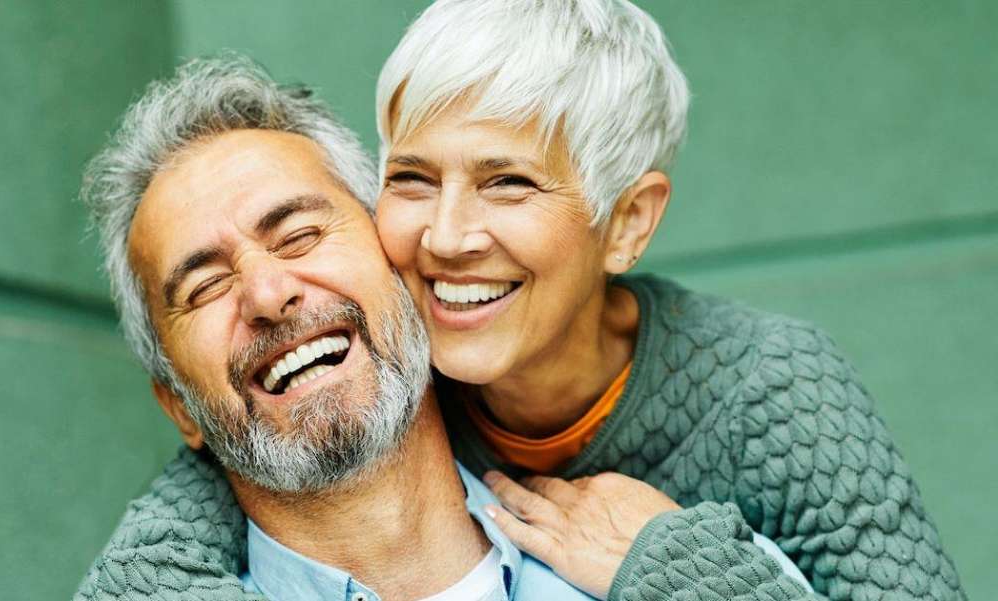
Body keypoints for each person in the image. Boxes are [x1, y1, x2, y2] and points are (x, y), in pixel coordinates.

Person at [72, 56, 802, 601]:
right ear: (177, 406)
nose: (267, 292)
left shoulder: (692, 573)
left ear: (402, 264)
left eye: (298, 235)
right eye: (204, 285)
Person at [371, 1, 961, 598]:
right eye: (411, 179)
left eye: (509, 183)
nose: (445, 236)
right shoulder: (375, 388)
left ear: (628, 222)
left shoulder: (773, 391)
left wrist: (675, 569)